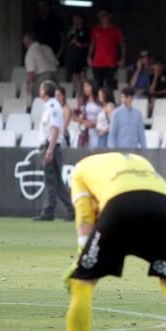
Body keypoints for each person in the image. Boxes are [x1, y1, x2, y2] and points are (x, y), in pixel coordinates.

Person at [48, 152, 166, 331]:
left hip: (120, 204)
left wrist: (83, 259)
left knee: (82, 284)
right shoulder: (137, 159)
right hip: (165, 206)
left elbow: (85, 216)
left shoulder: (80, 170)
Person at [33, 81, 75, 222]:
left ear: (45, 91)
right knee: (56, 181)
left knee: (51, 180)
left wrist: (50, 151)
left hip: (51, 147)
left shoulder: (53, 106)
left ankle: (49, 211)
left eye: (41, 88)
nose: (40, 90)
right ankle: (71, 210)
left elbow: (55, 129)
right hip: (49, 146)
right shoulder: (50, 106)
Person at [89, 10, 126, 91]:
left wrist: (123, 58)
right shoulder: (95, 29)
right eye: (101, 16)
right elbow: (93, 43)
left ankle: (110, 102)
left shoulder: (115, 29)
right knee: (97, 86)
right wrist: (89, 57)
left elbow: (122, 44)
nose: (103, 18)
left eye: (104, 16)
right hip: (97, 62)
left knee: (111, 86)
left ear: (109, 16)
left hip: (111, 63)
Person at [24, 33, 59, 98]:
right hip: (54, 76)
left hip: (41, 78)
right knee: (54, 99)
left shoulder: (30, 52)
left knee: (39, 100)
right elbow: (56, 64)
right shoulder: (47, 48)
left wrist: (28, 84)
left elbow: (31, 73)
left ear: (27, 42)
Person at [73, 79, 102, 148]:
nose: (85, 89)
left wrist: (92, 122)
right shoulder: (82, 101)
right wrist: (84, 122)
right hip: (84, 131)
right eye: (84, 87)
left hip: (97, 129)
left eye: (87, 86)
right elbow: (74, 116)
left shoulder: (99, 99)